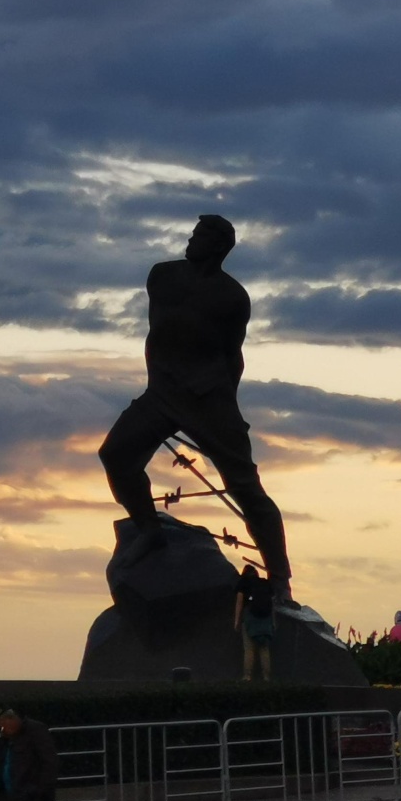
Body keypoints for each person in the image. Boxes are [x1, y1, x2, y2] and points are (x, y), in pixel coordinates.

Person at [97, 216, 294, 601]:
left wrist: (227, 407)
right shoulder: (163, 276)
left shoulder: (233, 298)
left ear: (219, 247)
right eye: (191, 234)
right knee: (116, 455)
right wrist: (159, 382)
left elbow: (231, 354)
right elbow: (159, 334)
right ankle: (150, 530)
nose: (190, 240)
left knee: (245, 489)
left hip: (209, 395)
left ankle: (280, 578)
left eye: (200, 236)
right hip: (163, 392)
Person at [234, 565, 276, 681]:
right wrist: (273, 621)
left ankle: (247, 676)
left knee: (249, 648)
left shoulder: (244, 583)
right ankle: (266, 677)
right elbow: (272, 604)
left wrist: (237, 621)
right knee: (264, 648)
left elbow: (239, 602)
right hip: (265, 619)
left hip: (250, 618)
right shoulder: (265, 583)